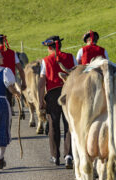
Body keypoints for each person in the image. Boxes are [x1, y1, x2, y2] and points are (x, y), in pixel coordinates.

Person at [38, 36, 76, 169]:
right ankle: (69, 156)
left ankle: (55, 156)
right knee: (68, 125)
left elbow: (42, 82)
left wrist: (40, 100)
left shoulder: (46, 60)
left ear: (49, 47)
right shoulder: (71, 57)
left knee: (53, 125)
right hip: (69, 93)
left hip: (53, 94)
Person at [0, 34, 26, 115]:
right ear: (3, 42)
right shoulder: (12, 53)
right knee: (8, 100)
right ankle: (10, 111)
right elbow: (20, 69)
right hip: (10, 81)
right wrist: (23, 82)